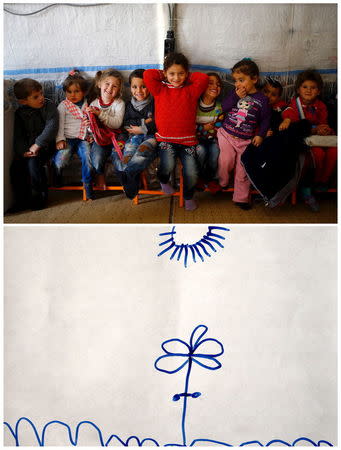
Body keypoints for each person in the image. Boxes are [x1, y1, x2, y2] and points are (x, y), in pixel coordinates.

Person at [144, 53, 209, 210]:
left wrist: (186, 76)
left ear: (186, 74)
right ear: (166, 73)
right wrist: (164, 74)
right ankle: (163, 180)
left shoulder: (191, 90)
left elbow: (203, 79)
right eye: (172, 73)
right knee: (167, 165)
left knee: (192, 172)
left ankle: (188, 197)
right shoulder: (160, 89)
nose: (176, 77)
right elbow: (147, 74)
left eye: (181, 73)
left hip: (187, 141)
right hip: (166, 139)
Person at [217, 58, 271, 209]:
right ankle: (222, 182)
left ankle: (241, 198)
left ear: (254, 79)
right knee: (226, 160)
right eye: (236, 81)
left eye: (242, 80)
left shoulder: (262, 100)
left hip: (246, 141)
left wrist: (260, 134)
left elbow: (266, 119)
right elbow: (224, 108)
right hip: (226, 135)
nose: (238, 84)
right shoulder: (235, 94)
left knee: (243, 169)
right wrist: (236, 97)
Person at [280, 69, 337, 211]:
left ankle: (322, 181)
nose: (308, 90)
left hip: (320, 138)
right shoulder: (294, 104)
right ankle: (308, 186)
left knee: (334, 152)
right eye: (305, 87)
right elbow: (293, 124)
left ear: (319, 91)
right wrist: (313, 129)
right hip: (304, 141)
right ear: (298, 89)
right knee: (318, 153)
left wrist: (325, 129)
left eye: (313, 88)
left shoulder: (321, 106)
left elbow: (324, 122)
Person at [10, 78, 59, 211]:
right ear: (23, 101)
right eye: (36, 97)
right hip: (28, 148)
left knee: (33, 165)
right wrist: (23, 151)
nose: (41, 98)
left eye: (41, 94)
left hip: (45, 146)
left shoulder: (49, 106)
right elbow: (18, 136)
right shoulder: (19, 113)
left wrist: (37, 145)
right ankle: (21, 200)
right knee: (16, 167)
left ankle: (39, 198)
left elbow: (52, 127)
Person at [116, 69, 157, 199]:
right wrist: (145, 122)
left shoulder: (155, 103)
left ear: (149, 86)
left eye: (143, 86)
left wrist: (143, 128)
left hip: (151, 137)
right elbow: (126, 124)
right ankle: (131, 178)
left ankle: (126, 174)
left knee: (141, 153)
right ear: (130, 88)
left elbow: (158, 122)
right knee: (127, 155)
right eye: (135, 87)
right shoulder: (128, 105)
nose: (139, 91)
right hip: (133, 138)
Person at [52, 70, 94, 200]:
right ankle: (56, 174)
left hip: (83, 138)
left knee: (88, 158)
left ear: (84, 92)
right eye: (69, 92)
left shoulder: (88, 105)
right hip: (67, 138)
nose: (72, 95)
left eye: (76, 91)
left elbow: (92, 124)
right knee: (61, 160)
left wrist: (91, 133)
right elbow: (59, 125)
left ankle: (87, 184)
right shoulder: (63, 106)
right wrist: (59, 140)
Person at [86, 69, 125, 189]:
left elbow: (117, 124)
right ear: (99, 84)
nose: (110, 88)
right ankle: (100, 174)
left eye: (115, 86)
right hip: (100, 138)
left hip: (116, 136)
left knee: (119, 159)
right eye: (107, 84)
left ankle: (124, 180)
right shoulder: (94, 103)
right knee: (96, 159)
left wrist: (100, 114)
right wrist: (89, 127)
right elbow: (91, 127)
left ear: (118, 90)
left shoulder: (119, 103)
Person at [195, 72, 224, 192]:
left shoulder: (219, 107)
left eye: (218, 84)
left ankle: (211, 178)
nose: (215, 87)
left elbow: (219, 124)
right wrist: (203, 128)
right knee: (200, 151)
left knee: (215, 151)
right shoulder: (194, 105)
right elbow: (188, 125)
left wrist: (211, 128)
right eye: (210, 83)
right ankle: (199, 177)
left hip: (212, 138)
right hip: (196, 139)